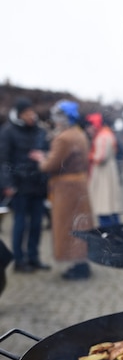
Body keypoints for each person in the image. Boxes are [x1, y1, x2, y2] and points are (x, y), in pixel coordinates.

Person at [29, 100, 94, 280]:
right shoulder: (78, 133)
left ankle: (77, 264)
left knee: (68, 226)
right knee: (80, 223)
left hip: (66, 188)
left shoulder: (64, 137)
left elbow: (50, 165)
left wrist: (41, 159)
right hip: (78, 183)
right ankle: (82, 263)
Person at [0, 97, 51, 272]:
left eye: (32, 112)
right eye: (27, 113)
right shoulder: (7, 132)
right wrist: (7, 184)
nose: (31, 116)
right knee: (20, 224)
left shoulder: (40, 131)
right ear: (20, 115)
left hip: (37, 185)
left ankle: (34, 257)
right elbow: (3, 160)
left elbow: (48, 153)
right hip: (18, 186)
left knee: (37, 224)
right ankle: (19, 261)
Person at [85, 113, 121, 227]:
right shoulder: (105, 134)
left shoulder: (103, 136)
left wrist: (88, 156)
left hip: (103, 174)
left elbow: (100, 157)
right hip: (106, 172)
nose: (88, 130)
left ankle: (109, 235)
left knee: (104, 204)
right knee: (109, 204)